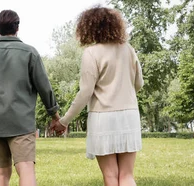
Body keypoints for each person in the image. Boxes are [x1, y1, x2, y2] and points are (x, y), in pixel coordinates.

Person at [0, 10, 62, 186]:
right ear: (17, 27)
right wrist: (55, 116)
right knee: (26, 169)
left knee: (1, 174)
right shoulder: (30, 53)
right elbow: (44, 87)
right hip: (21, 122)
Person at [53, 6, 144, 186]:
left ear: (89, 27)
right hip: (129, 116)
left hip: (103, 118)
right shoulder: (129, 49)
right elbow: (139, 84)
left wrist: (64, 121)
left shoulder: (91, 53)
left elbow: (85, 92)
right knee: (127, 175)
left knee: (110, 176)